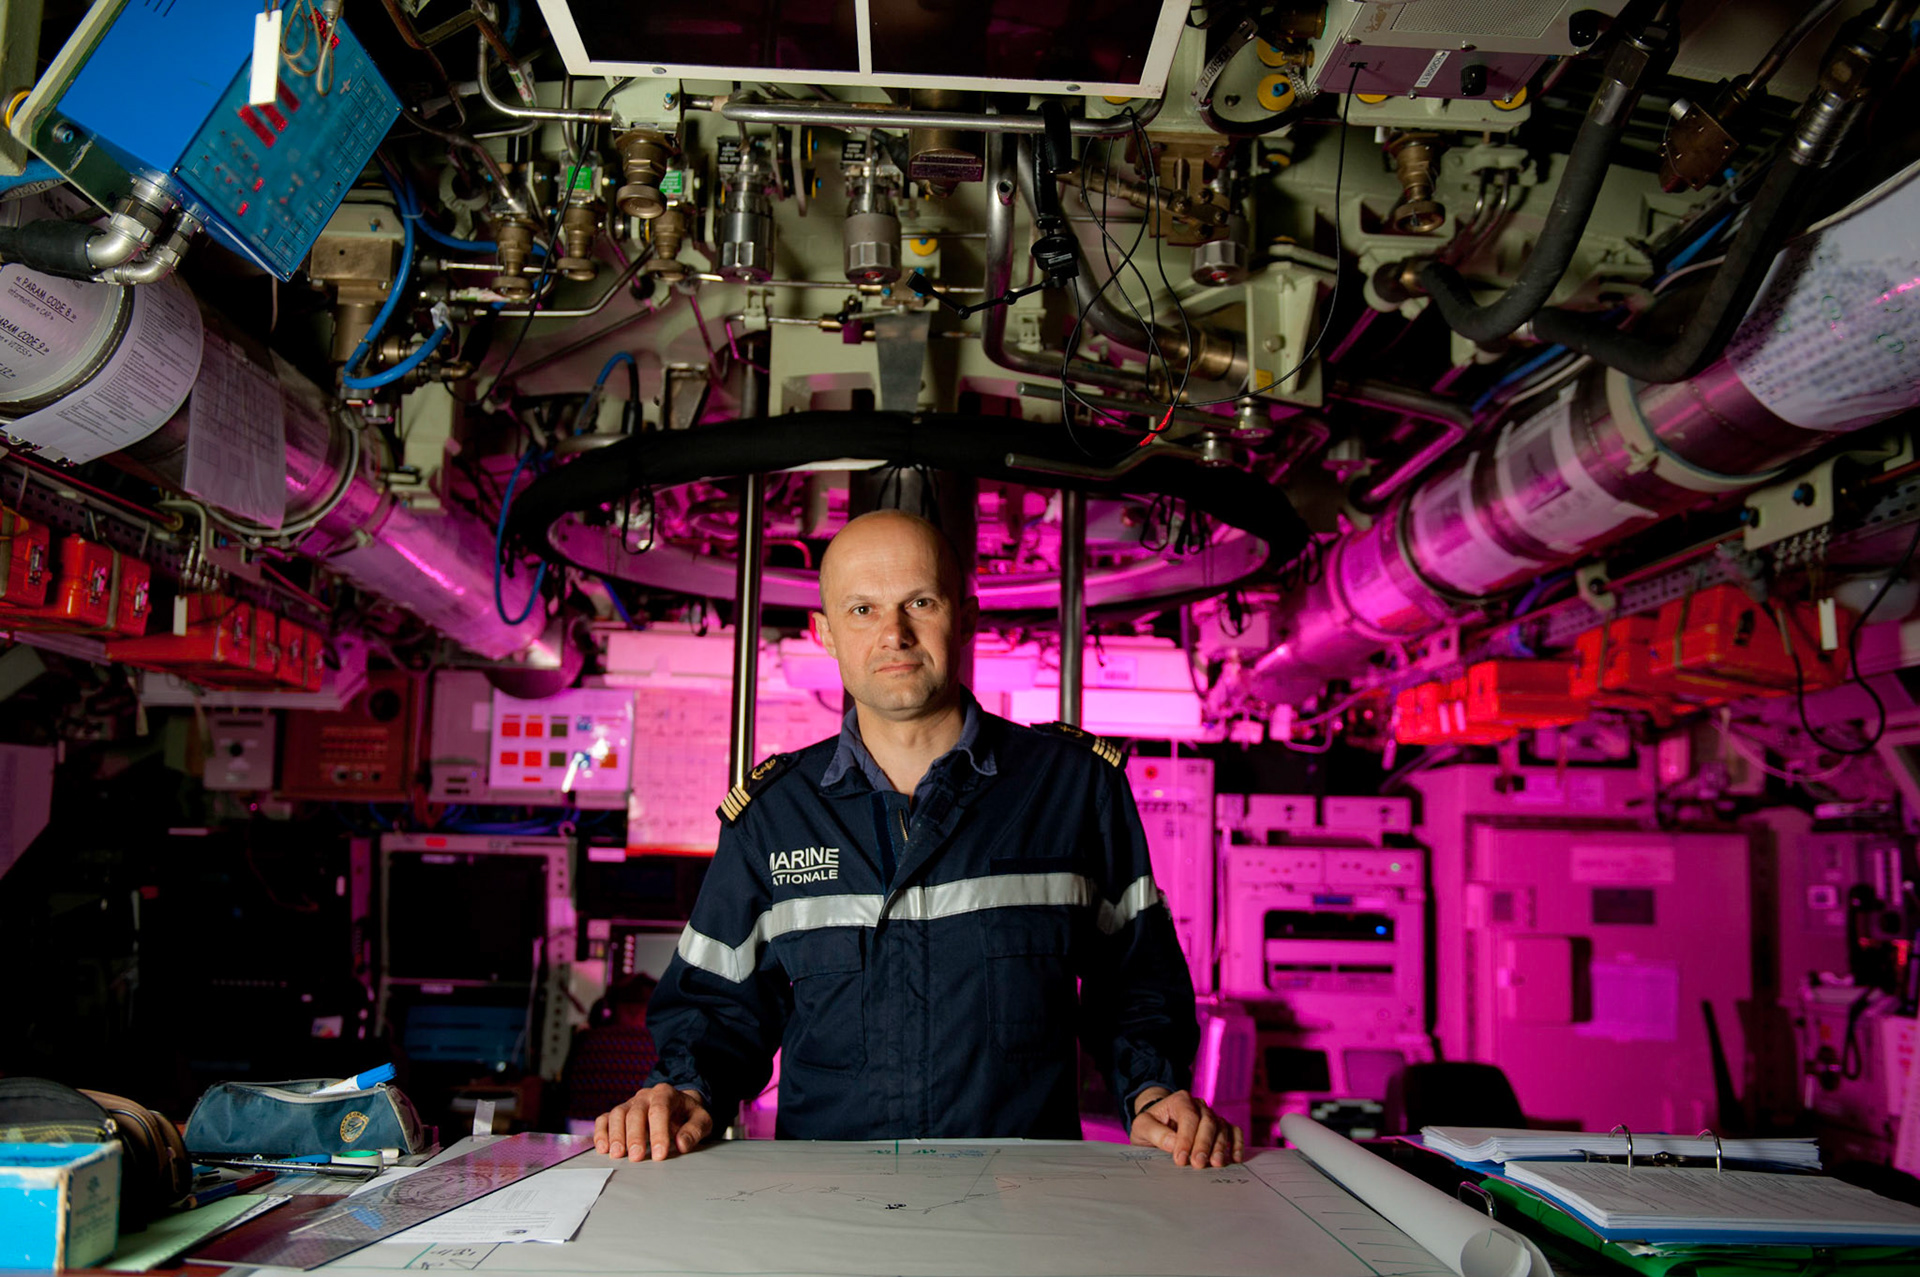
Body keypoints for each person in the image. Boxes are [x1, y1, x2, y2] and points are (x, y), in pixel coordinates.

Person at [594, 509, 1241, 1168]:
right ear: (825, 633)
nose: (894, 633)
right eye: (863, 609)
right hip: (825, 1206)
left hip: (1026, 1204)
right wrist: (684, 1089)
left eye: (919, 602)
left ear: (965, 616)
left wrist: (1153, 1086)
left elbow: (1137, 980)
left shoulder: (1073, 790)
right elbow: (717, 1008)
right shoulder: (774, 816)